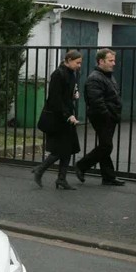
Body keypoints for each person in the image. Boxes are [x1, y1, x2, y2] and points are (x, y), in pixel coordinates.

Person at [32, 50, 83, 189]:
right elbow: (55, 99)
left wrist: (74, 94)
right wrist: (68, 115)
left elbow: (66, 94)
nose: (79, 65)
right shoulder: (58, 74)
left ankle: (61, 179)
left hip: (66, 115)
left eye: (80, 63)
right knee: (60, 149)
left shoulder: (72, 73)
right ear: (69, 60)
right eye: (77, 62)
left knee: (68, 148)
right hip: (58, 117)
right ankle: (40, 169)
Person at [75, 49, 125, 186]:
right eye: (110, 60)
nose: (113, 63)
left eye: (114, 60)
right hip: (102, 117)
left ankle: (108, 177)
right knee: (106, 146)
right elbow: (96, 101)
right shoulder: (95, 78)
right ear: (101, 61)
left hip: (110, 116)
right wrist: (108, 115)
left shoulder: (107, 75)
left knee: (105, 146)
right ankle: (82, 165)